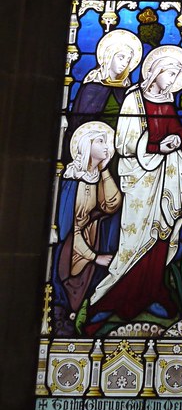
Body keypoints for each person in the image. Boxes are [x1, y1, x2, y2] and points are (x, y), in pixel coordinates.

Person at [87, 45, 182, 326]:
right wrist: (157, 147)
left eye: (177, 75)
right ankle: (114, 299)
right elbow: (124, 143)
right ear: (156, 72)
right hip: (140, 180)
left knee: (161, 234)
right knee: (134, 239)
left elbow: (177, 129)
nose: (173, 80)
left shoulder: (167, 101)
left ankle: (153, 292)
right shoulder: (134, 99)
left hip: (165, 178)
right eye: (170, 74)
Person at [56, 122, 121, 324]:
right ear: (87, 145)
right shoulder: (73, 179)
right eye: (100, 141)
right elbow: (71, 229)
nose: (106, 146)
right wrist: (95, 257)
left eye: (107, 142)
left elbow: (111, 204)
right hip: (74, 249)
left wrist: (104, 169)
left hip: (94, 239)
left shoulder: (97, 176)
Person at [66, 29, 142, 149]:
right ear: (109, 56)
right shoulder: (91, 87)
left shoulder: (127, 90)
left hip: (120, 144)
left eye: (128, 60)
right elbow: (79, 122)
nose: (124, 64)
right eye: (121, 57)